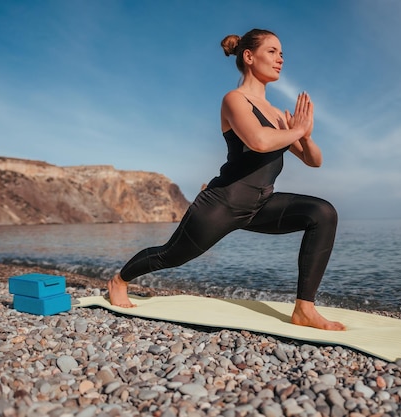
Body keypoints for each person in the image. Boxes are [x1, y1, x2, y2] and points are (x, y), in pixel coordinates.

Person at [108, 28, 345, 331]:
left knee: (322, 214)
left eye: (282, 53)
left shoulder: (277, 114)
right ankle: (119, 280)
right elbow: (258, 141)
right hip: (222, 203)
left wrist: (306, 136)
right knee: (171, 255)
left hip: (260, 204)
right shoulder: (234, 100)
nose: (280, 59)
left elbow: (315, 160)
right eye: (272, 51)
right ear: (249, 56)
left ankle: (304, 309)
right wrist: (296, 132)